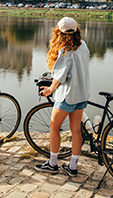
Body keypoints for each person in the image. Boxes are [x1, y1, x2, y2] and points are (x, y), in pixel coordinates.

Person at [35, 17, 90, 176]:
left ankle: (52, 163)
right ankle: (73, 166)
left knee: (54, 127)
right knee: (76, 131)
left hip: (67, 95)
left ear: (59, 32)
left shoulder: (65, 49)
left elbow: (59, 76)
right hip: (81, 94)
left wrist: (49, 90)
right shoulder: (83, 45)